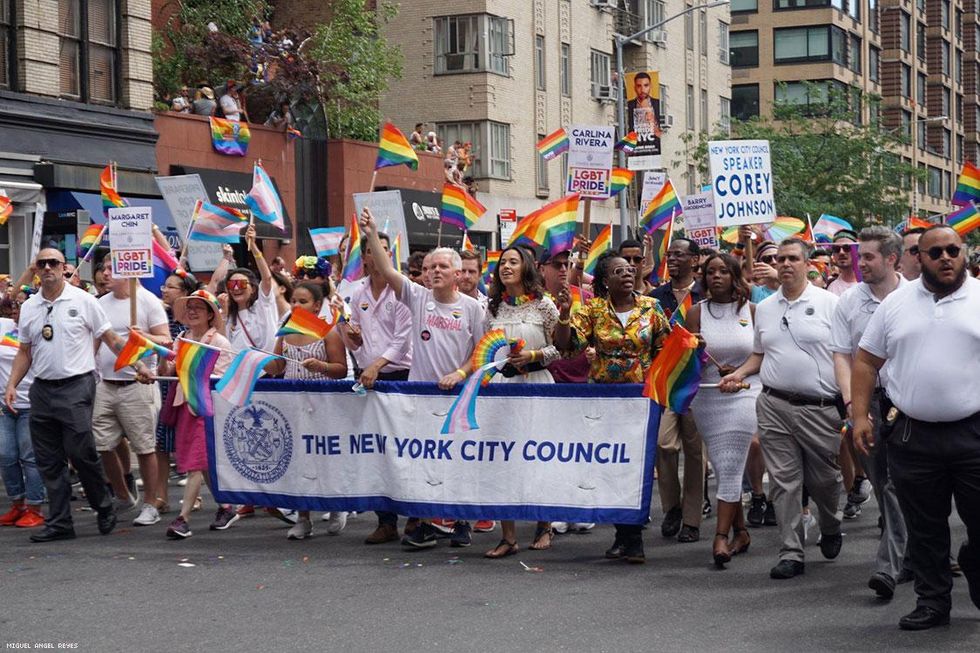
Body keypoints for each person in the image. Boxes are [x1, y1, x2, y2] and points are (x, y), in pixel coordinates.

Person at [852, 226, 980, 630]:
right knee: (924, 528)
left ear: (964, 254)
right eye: (936, 252)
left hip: (974, 433)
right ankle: (932, 602)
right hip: (913, 433)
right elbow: (865, 361)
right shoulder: (896, 304)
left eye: (953, 250)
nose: (946, 257)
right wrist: (858, 416)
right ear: (918, 258)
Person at [359, 207, 485, 550]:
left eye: (442, 267)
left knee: (458, 462)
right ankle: (428, 523)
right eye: (429, 268)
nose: (434, 272)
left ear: (458, 273)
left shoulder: (474, 309)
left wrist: (459, 374)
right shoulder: (417, 297)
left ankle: (461, 523)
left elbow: (482, 354)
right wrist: (371, 232)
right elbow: (385, 268)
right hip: (421, 396)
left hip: (457, 397)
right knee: (425, 460)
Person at [4, 249, 149, 542]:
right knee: (48, 460)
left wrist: (139, 363)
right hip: (42, 389)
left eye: (53, 263)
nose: (47, 268)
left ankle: (103, 505)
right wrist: (12, 384)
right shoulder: (31, 306)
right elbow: (24, 351)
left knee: (81, 452)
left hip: (76, 385)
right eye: (41, 264)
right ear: (36, 269)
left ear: (63, 267)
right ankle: (60, 523)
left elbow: (111, 339)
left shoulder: (83, 301)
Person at [721, 238, 844, 580]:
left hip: (819, 408)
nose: (785, 264)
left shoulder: (830, 304)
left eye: (792, 259)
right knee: (783, 481)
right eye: (780, 259)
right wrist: (739, 373)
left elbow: (845, 356)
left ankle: (831, 525)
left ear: (808, 264)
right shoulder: (766, 308)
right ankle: (792, 550)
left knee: (824, 481)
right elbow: (760, 354)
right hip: (774, 404)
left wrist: (850, 402)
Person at [554, 251, 670, 563]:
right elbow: (567, 345)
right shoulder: (592, 310)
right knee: (613, 465)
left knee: (635, 465)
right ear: (605, 281)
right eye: (618, 270)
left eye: (629, 269)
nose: (628, 273)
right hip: (604, 399)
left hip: (641, 399)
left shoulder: (651, 307)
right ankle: (625, 534)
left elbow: (665, 349)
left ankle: (632, 536)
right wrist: (564, 314)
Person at [830, 226, 910, 600]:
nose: (860, 263)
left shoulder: (915, 296)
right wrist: (853, 404)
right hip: (869, 404)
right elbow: (843, 356)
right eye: (859, 257)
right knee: (882, 483)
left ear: (892, 259)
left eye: (868, 257)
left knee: (899, 484)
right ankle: (918, 552)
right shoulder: (848, 302)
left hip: (909, 405)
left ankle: (888, 567)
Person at [482, 246, 560, 559]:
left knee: (538, 454)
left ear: (526, 267)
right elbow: (485, 348)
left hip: (537, 384)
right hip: (502, 387)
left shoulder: (544, 305)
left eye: (513, 262)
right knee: (502, 457)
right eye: (502, 263)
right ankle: (508, 535)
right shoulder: (494, 307)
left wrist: (533, 355)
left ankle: (545, 524)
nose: (506, 267)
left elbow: (560, 350)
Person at [337, 230, 412, 545]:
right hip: (366, 375)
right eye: (372, 250)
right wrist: (351, 339)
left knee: (405, 448)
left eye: (384, 249)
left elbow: (402, 339)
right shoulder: (355, 292)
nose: (379, 255)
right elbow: (351, 334)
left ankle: (417, 516)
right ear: (365, 257)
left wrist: (376, 366)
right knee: (376, 451)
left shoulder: (404, 291)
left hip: (399, 375)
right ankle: (386, 521)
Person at [686, 253, 758, 568]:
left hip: (744, 393)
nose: (716, 276)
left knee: (729, 462)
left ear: (734, 276)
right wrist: (695, 352)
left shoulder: (753, 311)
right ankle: (741, 531)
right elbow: (686, 363)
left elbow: (763, 354)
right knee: (725, 462)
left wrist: (740, 371)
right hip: (708, 397)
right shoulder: (695, 313)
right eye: (710, 271)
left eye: (723, 271)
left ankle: (720, 536)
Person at [92, 262, 171, 527]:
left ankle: (150, 503)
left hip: (137, 385)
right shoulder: (100, 303)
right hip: (105, 384)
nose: (105, 273)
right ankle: (123, 495)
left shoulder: (147, 302)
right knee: (101, 443)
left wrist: (144, 336)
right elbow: (96, 341)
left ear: (128, 271)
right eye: (103, 268)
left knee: (144, 447)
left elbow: (165, 340)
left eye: (111, 268)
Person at [267, 282, 348, 540]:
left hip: (323, 404)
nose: (296, 305)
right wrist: (261, 361)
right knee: (299, 459)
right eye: (293, 300)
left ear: (316, 305)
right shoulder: (284, 332)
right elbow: (277, 367)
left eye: (302, 301)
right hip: (295, 404)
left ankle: (336, 506)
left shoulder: (328, 332)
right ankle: (303, 518)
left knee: (326, 458)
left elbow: (341, 369)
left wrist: (321, 366)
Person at [158, 290, 238, 539]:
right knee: (201, 464)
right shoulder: (182, 339)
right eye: (189, 307)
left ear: (211, 314)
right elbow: (169, 371)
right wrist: (160, 355)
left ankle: (183, 518)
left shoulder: (219, 343)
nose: (192, 311)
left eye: (199, 308)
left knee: (195, 464)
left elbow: (221, 381)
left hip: (206, 409)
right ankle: (226, 508)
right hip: (184, 407)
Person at [649, 238, 705, 543]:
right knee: (663, 444)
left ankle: (692, 520)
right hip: (668, 382)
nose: (671, 259)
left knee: (696, 454)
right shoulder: (657, 297)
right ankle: (671, 507)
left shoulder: (704, 295)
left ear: (694, 260)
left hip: (698, 382)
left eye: (679, 254)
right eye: (669, 254)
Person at [0, 314, 44, 528]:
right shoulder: (3, 325)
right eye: (16, 303)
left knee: (29, 457)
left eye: (24, 304)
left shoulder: (40, 329)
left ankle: (35, 507)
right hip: (4, 405)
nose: (19, 308)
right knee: (6, 455)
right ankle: (18, 504)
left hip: (31, 404)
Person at [216, 226, 278, 354]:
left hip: (263, 370)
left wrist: (254, 246)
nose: (236, 288)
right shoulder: (228, 314)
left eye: (242, 284)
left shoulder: (262, 306)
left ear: (253, 288)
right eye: (232, 284)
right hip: (238, 370)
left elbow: (266, 278)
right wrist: (224, 314)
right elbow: (224, 345)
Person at [826, 229, 860, 297]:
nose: (841, 252)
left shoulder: (871, 284)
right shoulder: (831, 288)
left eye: (847, 248)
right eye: (836, 249)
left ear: (857, 250)